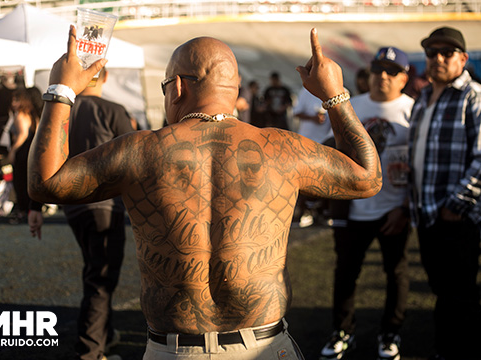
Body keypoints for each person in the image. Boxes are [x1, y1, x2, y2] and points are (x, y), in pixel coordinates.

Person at [28, 26, 382, 360]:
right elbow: (368, 178)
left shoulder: (140, 150)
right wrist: (334, 95)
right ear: (236, 89)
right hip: (263, 346)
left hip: (174, 350)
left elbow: (45, 183)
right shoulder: (282, 149)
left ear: (177, 87)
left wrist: (61, 90)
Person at [29, 68, 134, 360]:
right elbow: (136, 157)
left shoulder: (62, 113)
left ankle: (105, 335)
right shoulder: (112, 109)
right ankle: (89, 352)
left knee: (96, 270)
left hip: (72, 207)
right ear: (106, 76)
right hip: (104, 207)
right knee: (100, 279)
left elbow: (38, 156)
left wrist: (35, 207)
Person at [319, 46, 414, 360]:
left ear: (404, 77)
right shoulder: (349, 106)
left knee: (396, 274)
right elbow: (329, 152)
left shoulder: (415, 111)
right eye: (377, 70)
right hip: (352, 209)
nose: (381, 77)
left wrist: (405, 207)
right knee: (345, 273)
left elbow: (421, 165)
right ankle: (342, 332)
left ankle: (390, 333)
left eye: (390, 71)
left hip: (394, 210)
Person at [408, 26, 481, 360]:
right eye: (431, 52)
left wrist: (458, 203)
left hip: (455, 215)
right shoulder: (423, 98)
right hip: (427, 213)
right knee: (441, 290)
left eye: (446, 52)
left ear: (463, 59)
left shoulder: (473, 97)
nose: (437, 58)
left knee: (459, 295)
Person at [292, 87, 331, 227]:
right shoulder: (305, 92)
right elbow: (296, 113)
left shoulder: (336, 90)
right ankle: (304, 211)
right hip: (306, 143)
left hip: (326, 143)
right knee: (304, 179)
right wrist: (313, 118)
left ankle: (322, 212)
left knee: (324, 180)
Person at [7, 86, 42, 224]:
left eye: (16, 100)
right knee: (28, 182)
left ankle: (23, 211)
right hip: (32, 151)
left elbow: (22, 135)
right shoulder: (33, 115)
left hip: (23, 152)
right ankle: (29, 210)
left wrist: (13, 151)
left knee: (20, 182)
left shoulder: (20, 115)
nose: (13, 103)